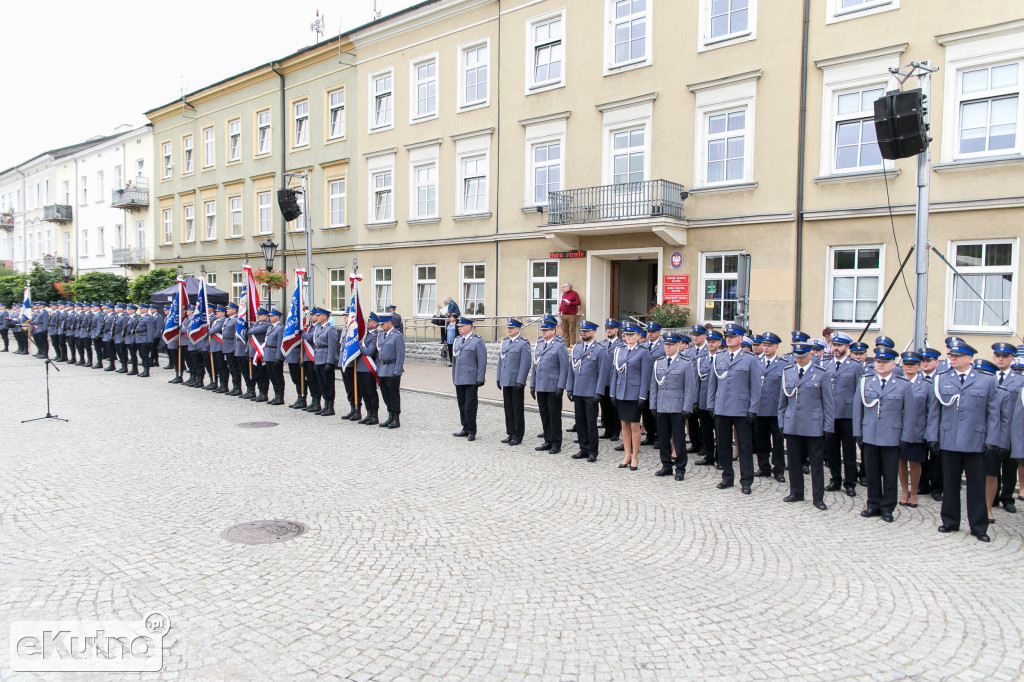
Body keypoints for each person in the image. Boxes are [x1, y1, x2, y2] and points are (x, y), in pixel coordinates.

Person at [926, 341, 1001, 543]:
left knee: (976, 486)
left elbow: (993, 414)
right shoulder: (941, 379)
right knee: (949, 484)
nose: (953, 359)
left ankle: (978, 526)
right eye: (951, 356)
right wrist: (932, 437)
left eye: (957, 356)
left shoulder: (987, 380)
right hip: (949, 439)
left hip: (976, 441)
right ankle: (950, 521)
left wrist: (992, 440)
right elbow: (935, 412)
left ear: (969, 358)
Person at [854, 346, 917, 523]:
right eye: (878, 362)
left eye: (884, 362)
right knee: (872, 473)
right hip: (870, 433)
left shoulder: (903, 385)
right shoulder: (865, 381)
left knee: (890, 475)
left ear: (893, 364)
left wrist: (906, 436)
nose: (880, 365)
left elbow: (910, 414)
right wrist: (857, 432)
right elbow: (857, 409)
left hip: (892, 435)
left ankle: (888, 508)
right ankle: (873, 504)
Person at [708, 323, 762, 494]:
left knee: (745, 446)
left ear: (740, 339)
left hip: (741, 408)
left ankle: (746, 480)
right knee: (723, 444)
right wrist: (711, 405)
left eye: (732, 336)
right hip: (722, 406)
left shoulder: (750, 359)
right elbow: (712, 384)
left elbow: (755, 387)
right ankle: (727, 476)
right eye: (727, 337)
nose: (729, 339)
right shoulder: (719, 357)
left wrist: (753, 408)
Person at [780, 342, 834, 510]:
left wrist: (828, 426)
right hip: (793, 423)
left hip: (813, 425)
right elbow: (782, 401)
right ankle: (796, 491)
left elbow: (828, 403)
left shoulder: (821, 374)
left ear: (810, 354)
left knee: (816, 464)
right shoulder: (788, 372)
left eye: (802, 357)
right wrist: (781, 422)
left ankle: (818, 497)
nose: (799, 360)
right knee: (794, 460)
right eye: (797, 357)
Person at [649, 333, 698, 480]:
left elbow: (690, 387)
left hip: (677, 406)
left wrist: (687, 407)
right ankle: (666, 465)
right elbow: (654, 385)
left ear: (678, 346)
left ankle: (680, 467)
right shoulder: (659, 362)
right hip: (662, 405)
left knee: (678, 439)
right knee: (663, 438)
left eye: (671, 345)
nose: (667, 347)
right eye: (666, 344)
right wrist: (653, 404)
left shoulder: (685, 363)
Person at [609, 323, 652, 470]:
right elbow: (614, 372)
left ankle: (634, 456)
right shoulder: (619, 351)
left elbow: (645, 376)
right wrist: (613, 392)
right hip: (621, 392)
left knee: (635, 425)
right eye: (626, 335)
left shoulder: (643, 352)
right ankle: (627, 455)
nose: (628, 337)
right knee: (624, 425)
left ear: (639, 336)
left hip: (634, 393)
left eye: (632, 335)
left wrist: (642, 395)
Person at [825, 332, 862, 497]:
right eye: (834, 345)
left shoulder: (855, 366)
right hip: (830, 414)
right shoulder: (826, 365)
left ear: (847, 347)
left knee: (849, 451)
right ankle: (835, 479)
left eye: (839, 345)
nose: (836, 348)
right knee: (831, 449)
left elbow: (859, 393)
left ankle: (850, 482)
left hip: (848, 414)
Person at [567, 320, 609, 463]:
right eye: (581, 331)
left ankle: (592, 451)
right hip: (578, 390)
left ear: (593, 333)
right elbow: (571, 369)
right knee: (580, 422)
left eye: (585, 331)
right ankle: (583, 448)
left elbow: (603, 373)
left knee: (591, 423)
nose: (582, 333)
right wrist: (570, 387)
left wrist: (599, 392)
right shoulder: (577, 348)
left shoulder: (600, 350)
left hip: (591, 392)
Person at [990, 342, 1023, 517]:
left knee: (1009, 467)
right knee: (992, 465)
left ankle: (1007, 498)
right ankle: (992, 496)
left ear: (1012, 358)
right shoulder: (987, 377)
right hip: (993, 430)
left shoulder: (1020, 380)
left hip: (1010, 430)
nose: (1001, 359)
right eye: (998, 356)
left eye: (1005, 356)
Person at [532, 319, 569, 454]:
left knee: (554, 415)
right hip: (541, 385)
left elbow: (564, 368)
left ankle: (556, 442)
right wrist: (532, 385)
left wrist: (561, 386)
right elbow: (535, 365)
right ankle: (548, 440)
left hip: (553, 386)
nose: (543, 332)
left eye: (546, 330)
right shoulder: (540, 344)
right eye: (542, 330)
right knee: (544, 415)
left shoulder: (559, 345)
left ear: (553, 331)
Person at [755, 332, 788, 482]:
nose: (766, 348)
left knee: (778, 442)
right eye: (764, 345)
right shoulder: (756, 362)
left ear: (776, 347)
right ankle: (763, 467)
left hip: (776, 410)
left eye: (769, 346)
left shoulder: (784, 365)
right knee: (761, 441)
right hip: (760, 409)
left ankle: (779, 469)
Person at [898, 352, 930, 508]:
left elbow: (930, 411)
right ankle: (904, 491)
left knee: (915, 461)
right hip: (898, 428)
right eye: (906, 364)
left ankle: (914, 492)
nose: (909, 367)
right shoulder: (896, 382)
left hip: (917, 429)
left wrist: (929, 433)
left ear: (919, 367)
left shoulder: (926, 385)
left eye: (912, 364)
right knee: (901, 460)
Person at [496, 318, 531, 446]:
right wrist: (498, 378)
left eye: (511, 328)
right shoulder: (505, 343)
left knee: (517, 409)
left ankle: (518, 434)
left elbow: (525, 363)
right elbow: (501, 361)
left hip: (516, 380)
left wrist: (521, 380)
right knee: (508, 408)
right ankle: (510, 432)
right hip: (506, 379)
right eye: (508, 328)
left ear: (518, 329)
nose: (509, 330)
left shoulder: (523, 343)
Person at [451, 317, 487, 441]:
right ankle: (465, 427)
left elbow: (482, 361)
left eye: (461, 326)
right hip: (459, 377)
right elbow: (454, 360)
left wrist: (480, 377)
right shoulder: (457, 340)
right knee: (461, 404)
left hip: (471, 378)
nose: (459, 328)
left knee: (470, 405)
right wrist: (454, 376)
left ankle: (472, 430)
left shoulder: (477, 341)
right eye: (458, 326)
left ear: (469, 327)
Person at [302, 307, 338, 416]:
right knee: (321, 383)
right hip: (318, 359)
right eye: (317, 316)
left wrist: (329, 361)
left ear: (325, 316)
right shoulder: (318, 328)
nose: (317, 317)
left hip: (326, 359)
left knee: (328, 384)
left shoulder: (330, 329)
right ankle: (325, 404)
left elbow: (332, 347)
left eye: (319, 315)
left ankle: (330, 406)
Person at [376, 311, 405, 428]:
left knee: (393, 394)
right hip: (382, 368)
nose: (381, 326)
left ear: (389, 323)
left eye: (383, 324)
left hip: (392, 368)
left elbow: (400, 354)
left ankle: (396, 417)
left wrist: (397, 371)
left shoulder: (397, 336)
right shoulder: (382, 335)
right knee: (385, 394)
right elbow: (379, 353)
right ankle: (390, 415)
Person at [598, 319, 624, 441]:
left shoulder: (621, 345)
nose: (609, 330)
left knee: (615, 408)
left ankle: (615, 431)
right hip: (604, 381)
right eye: (607, 328)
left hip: (615, 381)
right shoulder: (602, 344)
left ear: (617, 330)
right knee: (605, 407)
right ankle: (608, 430)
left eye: (612, 328)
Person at [640, 322, 665, 447]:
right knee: (646, 412)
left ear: (659, 333)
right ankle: (649, 435)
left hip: (658, 384)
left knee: (657, 412)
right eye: (648, 331)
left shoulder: (663, 347)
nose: (650, 334)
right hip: (645, 385)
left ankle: (659, 436)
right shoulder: (643, 346)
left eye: (653, 332)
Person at [353, 312, 381, 424]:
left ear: (374, 324)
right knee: (364, 392)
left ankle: (374, 415)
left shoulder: (375, 336)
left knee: (370, 392)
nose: (367, 323)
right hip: (360, 367)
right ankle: (368, 414)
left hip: (368, 368)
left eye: (369, 321)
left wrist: (358, 345)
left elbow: (369, 351)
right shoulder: (365, 335)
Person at [263, 309, 286, 405]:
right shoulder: (270, 328)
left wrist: (278, 357)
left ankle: (280, 396)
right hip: (268, 354)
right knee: (272, 376)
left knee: (278, 376)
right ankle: (276, 395)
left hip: (274, 355)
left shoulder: (280, 328)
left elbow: (280, 344)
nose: (270, 317)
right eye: (270, 316)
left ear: (277, 317)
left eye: (272, 316)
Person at [249, 308, 270, 402]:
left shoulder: (266, 325)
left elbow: (251, 331)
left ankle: (264, 393)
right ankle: (260, 392)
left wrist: (251, 329)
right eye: (258, 314)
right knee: (256, 374)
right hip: (254, 352)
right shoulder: (256, 324)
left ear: (265, 316)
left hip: (261, 353)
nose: (258, 316)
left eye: (260, 315)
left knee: (263, 374)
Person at [557, 282, 582, 348]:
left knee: (572, 329)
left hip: (571, 315)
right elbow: (562, 304)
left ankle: (572, 343)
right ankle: (566, 343)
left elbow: (578, 302)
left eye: (565, 286)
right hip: (564, 315)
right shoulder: (564, 294)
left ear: (569, 287)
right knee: (565, 329)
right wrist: (559, 311)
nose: (563, 288)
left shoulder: (574, 293)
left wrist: (570, 303)